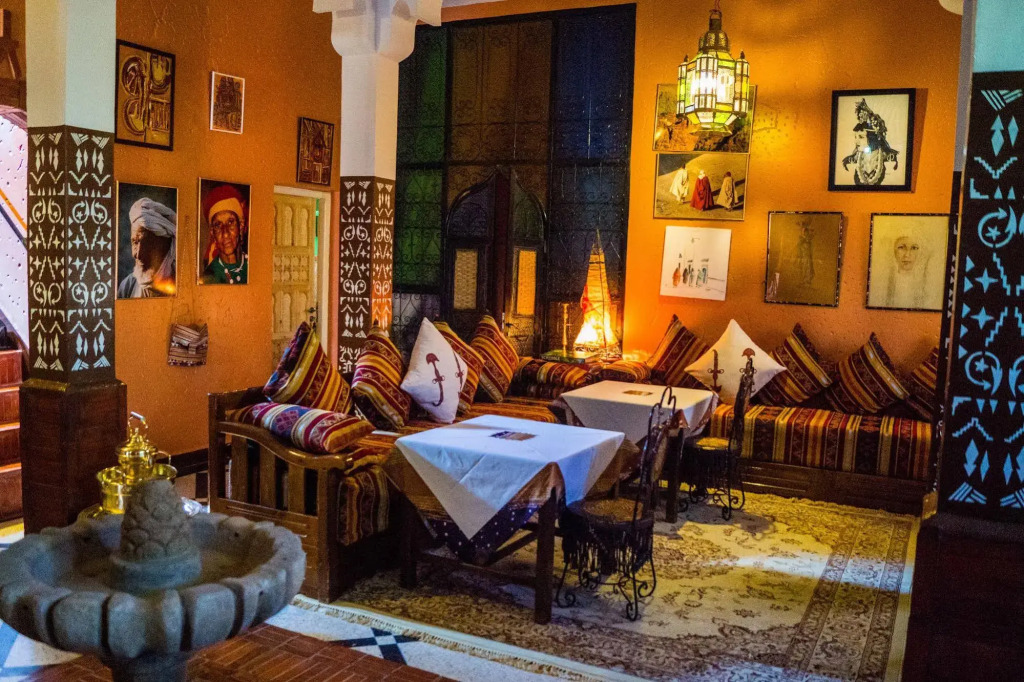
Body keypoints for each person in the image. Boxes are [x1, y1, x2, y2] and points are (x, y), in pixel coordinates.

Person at [117, 197, 177, 298]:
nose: (138, 254)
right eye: (135, 242)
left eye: (147, 245)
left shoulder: (183, 283)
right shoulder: (127, 286)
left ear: (166, 245)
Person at [201, 184, 248, 284]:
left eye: (230, 222)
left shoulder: (253, 266)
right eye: (218, 225)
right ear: (212, 233)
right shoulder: (209, 277)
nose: (225, 234)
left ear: (240, 226)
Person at [882, 234, 930, 308]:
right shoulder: (884, 286)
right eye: (901, 247)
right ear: (894, 251)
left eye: (914, 248)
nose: (907, 255)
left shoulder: (926, 287)